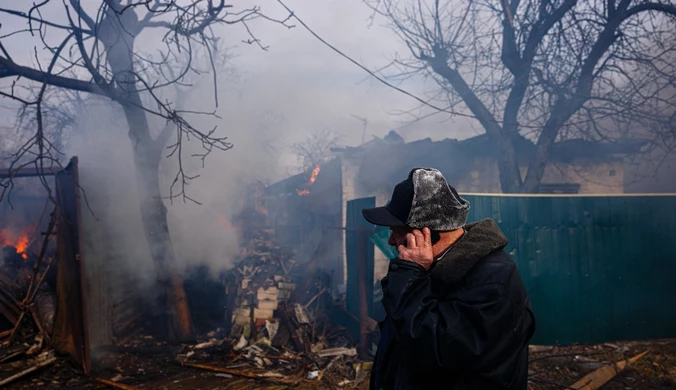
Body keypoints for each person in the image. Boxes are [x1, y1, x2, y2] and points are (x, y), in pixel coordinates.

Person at [362, 167, 536, 390]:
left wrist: (408, 277)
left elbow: (434, 354)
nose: (391, 242)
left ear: (427, 234)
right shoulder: (430, 269)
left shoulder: (493, 282)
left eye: (396, 232)